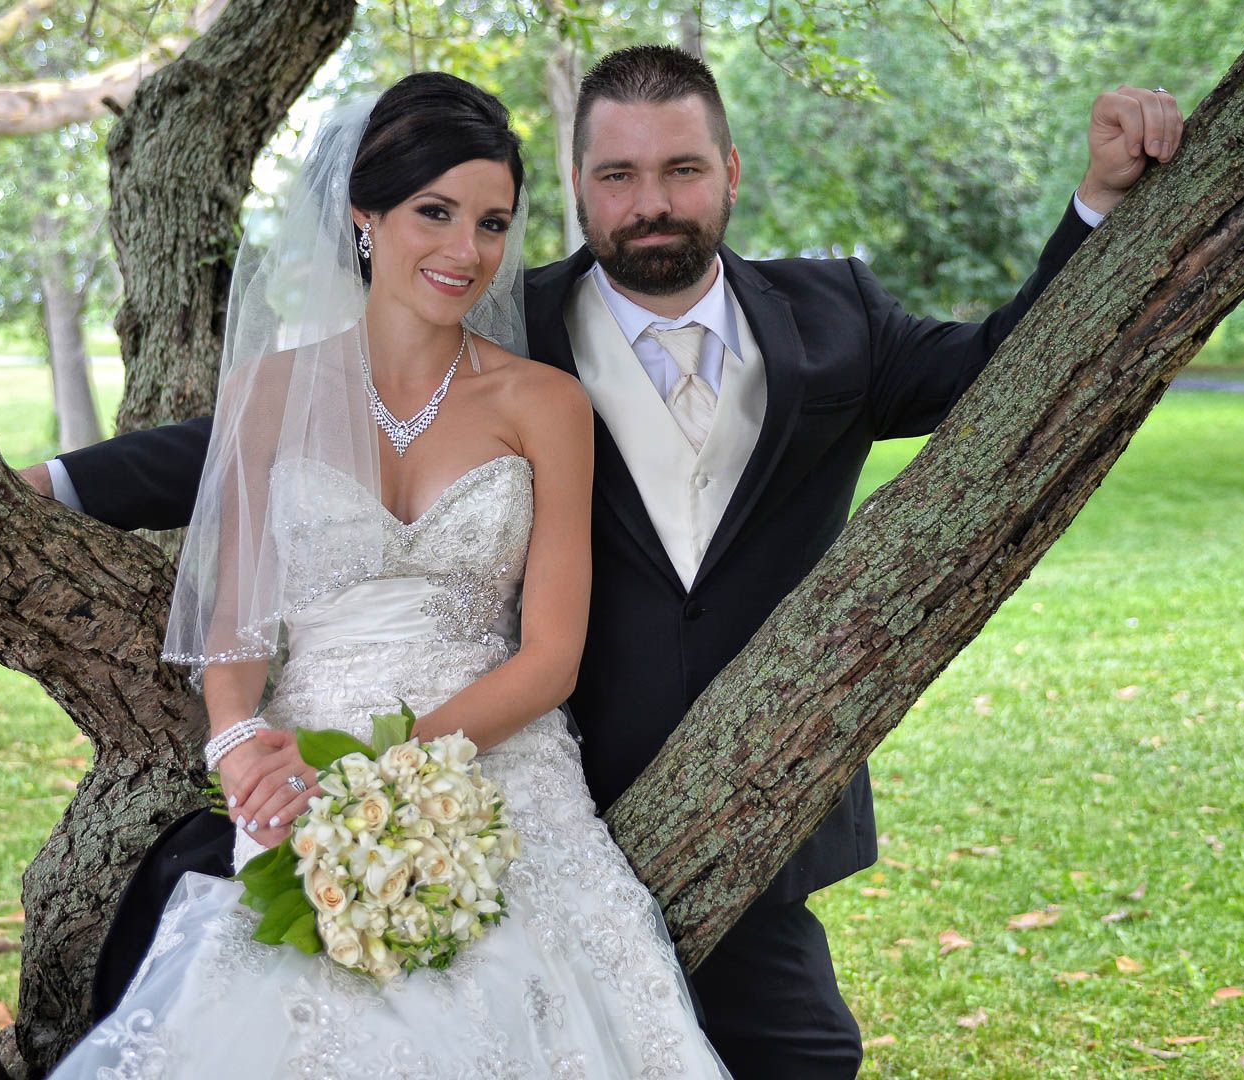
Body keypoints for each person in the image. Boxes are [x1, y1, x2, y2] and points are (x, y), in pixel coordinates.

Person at [28, 47, 1184, 1078]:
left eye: (681, 169)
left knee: (802, 1051)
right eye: (617, 177)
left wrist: (1098, 205)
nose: (651, 204)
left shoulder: (833, 319)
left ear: (729, 170)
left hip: (732, 783)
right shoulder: (500, 314)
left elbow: (1006, 369)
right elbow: (254, 445)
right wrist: (60, 485)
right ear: (579, 195)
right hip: (548, 759)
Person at [43, 72, 730, 1078]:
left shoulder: (545, 405)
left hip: (503, 773)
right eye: (434, 213)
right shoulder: (269, 392)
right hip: (299, 778)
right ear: (364, 217)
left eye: (492, 222)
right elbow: (232, 625)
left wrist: (382, 774)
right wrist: (239, 747)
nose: (467, 252)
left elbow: (550, 658)